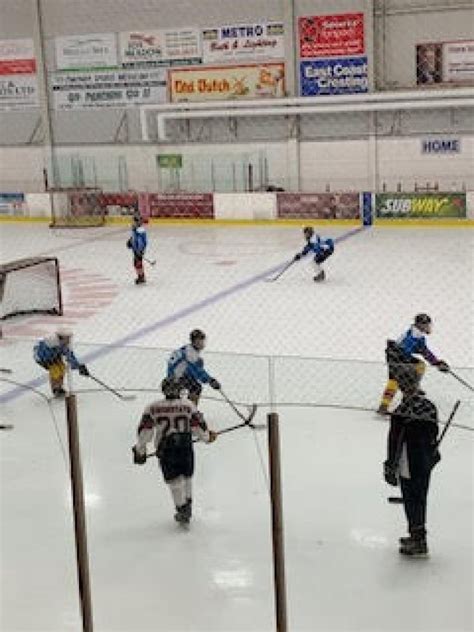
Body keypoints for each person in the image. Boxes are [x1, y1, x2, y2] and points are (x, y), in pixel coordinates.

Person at [132, 377, 217, 525]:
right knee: (187, 476)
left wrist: (140, 450)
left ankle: (182, 508)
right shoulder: (188, 405)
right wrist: (207, 437)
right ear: (180, 390)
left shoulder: (152, 407)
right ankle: (187, 506)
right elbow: (199, 426)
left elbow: (145, 431)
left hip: (166, 449)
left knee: (174, 480)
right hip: (185, 446)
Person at [383, 378, 440, 558]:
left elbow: (395, 441)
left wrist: (390, 465)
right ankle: (418, 536)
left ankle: (418, 539)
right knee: (421, 497)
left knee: (411, 498)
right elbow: (434, 432)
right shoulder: (430, 406)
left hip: (409, 461)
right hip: (426, 459)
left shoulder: (401, 411)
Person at [377, 314, 449, 415]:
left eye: (429, 325)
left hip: (396, 356)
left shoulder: (417, 334)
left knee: (395, 379)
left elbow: (423, 351)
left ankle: (384, 406)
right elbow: (409, 349)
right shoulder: (414, 336)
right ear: (419, 325)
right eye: (426, 325)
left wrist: (436, 362)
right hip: (398, 358)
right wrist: (435, 362)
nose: (428, 327)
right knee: (405, 379)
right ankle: (410, 396)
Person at [167, 329, 221, 405]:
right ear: (194, 342)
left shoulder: (188, 349)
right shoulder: (191, 353)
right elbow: (197, 371)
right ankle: (191, 409)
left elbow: (189, 369)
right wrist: (210, 380)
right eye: (199, 341)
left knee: (193, 384)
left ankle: (185, 407)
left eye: (202, 340)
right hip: (176, 379)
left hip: (175, 377)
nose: (202, 343)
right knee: (196, 387)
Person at [33, 329, 89, 397]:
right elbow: (41, 353)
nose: (69, 340)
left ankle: (59, 387)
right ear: (61, 338)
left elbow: (69, 356)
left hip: (54, 355)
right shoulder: (51, 342)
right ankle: (55, 388)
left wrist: (78, 366)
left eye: (69, 338)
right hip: (43, 357)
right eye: (67, 338)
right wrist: (50, 360)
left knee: (62, 368)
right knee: (55, 370)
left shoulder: (64, 344)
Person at [126, 214, 148, 284]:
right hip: (136, 249)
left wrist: (140, 250)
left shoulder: (140, 229)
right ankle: (141, 276)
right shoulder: (135, 229)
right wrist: (130, 241)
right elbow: (134, 238)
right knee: (136, 263)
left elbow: (141, 241)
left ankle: (141, 276)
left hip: (138, 250)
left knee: (138, 263)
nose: (133, 223)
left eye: (135, 221)